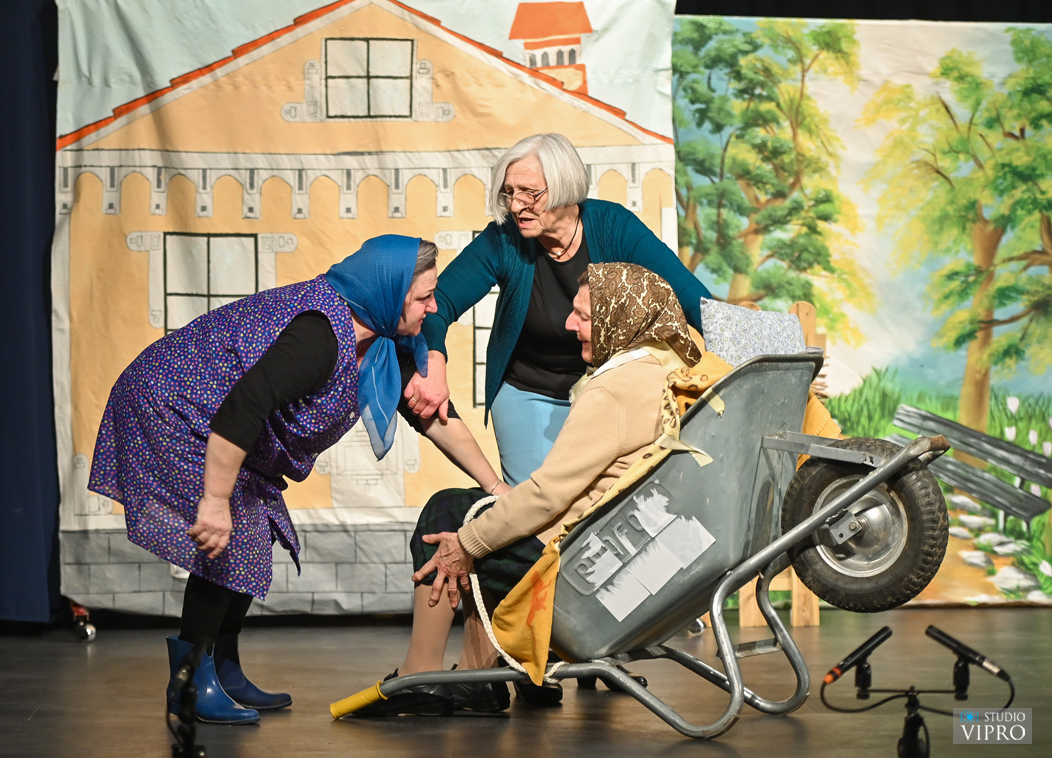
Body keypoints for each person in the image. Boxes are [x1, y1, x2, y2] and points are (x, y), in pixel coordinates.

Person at [88, 235, 511, 725]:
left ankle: (223, 667)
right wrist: (215, 500)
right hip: (174, 407)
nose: (433, 308)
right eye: (424, 298)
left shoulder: (381, 342)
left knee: (253, 530)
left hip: (225, 422)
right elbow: (243, 406)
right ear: (389, 294)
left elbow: (433, 417)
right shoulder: (319, 336)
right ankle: (190, 684)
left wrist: (496, 488)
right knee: (230, 536)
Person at [356, 262, 703, 716]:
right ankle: (479, 676)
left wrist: (468, 541)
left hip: (578, 562)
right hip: (624, 549)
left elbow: (546, 495)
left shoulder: (615, 390)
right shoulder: (669, 370)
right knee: (485, 514)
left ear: (620, 316)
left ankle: (418, 675)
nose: (569, 324)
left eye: (584, 316)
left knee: (448, 514)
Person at [406, 133, 711, 491]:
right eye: (509, 192)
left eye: (529, 193)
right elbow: (437, 304)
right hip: (528, 393)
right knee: (538, 506)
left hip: (611, 392)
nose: (516, 205)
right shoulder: (504, 239)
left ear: (566, 188)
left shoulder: (613, 227)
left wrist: (744, 360)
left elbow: (694, 301)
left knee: (612, 504)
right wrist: (434, 361)